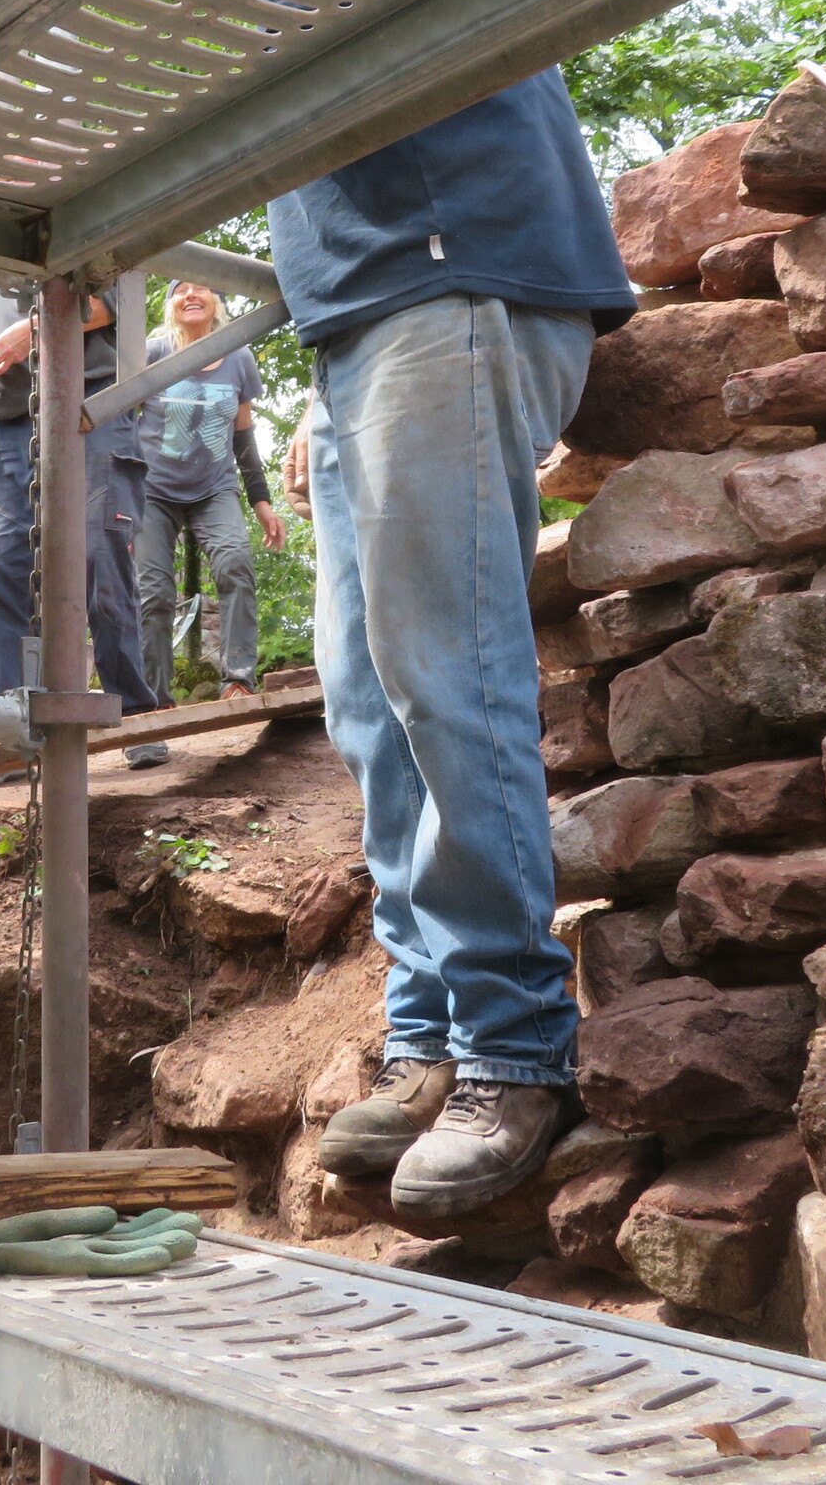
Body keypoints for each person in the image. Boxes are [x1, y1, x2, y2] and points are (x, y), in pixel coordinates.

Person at [281, 68, 634, 1219]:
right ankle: (429, 1032)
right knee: (366, 704)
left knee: (445, 675)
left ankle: (513, 1045)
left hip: (452, 266)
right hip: (363, 311)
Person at [0, 275, 161, 745]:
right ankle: (11, 729)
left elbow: (113, 302)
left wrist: (35, 328)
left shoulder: (84, 232)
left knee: (99, 555)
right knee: (2, 569)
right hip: (7, 424)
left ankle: (133, 714)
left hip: (91, 403)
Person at [135, 281, 286, 719]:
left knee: (235, 563)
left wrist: (261, 502)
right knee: (154, 592)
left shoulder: (239, 358)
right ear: (171, 304)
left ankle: (237, 679)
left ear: (217, 301)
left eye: (201, 287)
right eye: (180, 289)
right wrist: (116, 503)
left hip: (214, 488)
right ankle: (153, 702)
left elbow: (244, 438)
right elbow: (120, 425)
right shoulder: (152, 353)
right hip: (152, 489)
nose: (191, 294)